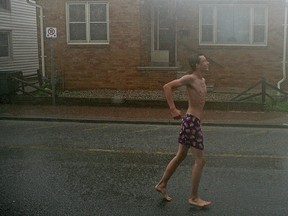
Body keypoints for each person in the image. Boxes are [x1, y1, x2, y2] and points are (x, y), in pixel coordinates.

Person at [155, 53, 211, 207]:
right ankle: (193, 197)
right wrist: (172, 109)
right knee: (200, 160)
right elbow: (167, 87)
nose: (207, 62)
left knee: (180, 156)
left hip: (193, 122)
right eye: (204, 61)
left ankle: (162, 184)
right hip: (191, 122)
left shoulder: (203, 80)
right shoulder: (190, 78)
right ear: (197, 65)